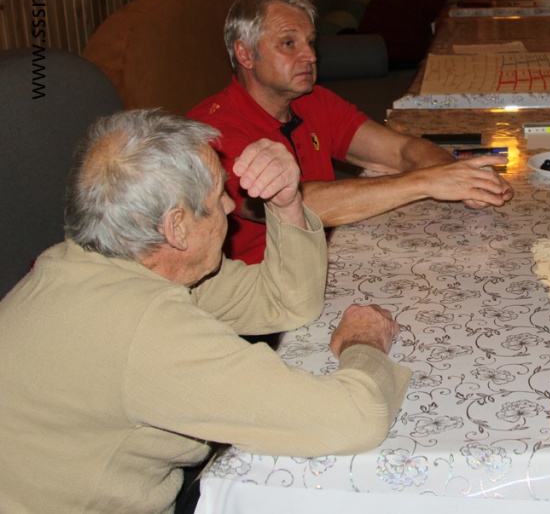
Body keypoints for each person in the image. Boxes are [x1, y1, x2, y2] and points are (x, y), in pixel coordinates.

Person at [0, 110, 410, 513]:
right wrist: (364, 342)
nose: (231, 206)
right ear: (176, 227)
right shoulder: (145, 328)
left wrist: (287, 203)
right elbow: (356, 417)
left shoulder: (97, 263)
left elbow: (286, 301)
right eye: (218, 198)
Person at [189, 0, 513, 265]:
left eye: (310, 42)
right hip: (263, 289)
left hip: (325, 257)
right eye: (289, 43)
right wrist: (426, 182)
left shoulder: (313, 101)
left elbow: (401, 149)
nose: (310, 55)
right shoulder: (212, 130)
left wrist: (460, 178)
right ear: (245, 54)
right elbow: (286, 204)